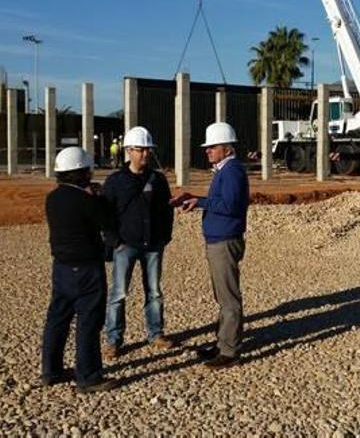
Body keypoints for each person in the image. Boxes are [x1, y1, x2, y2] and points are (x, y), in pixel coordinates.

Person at [172, 122, 249, 369]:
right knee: (222, 295)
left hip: (225, 240)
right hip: (218, 239)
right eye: (208, 147)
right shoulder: (225, 170)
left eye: (212, 147)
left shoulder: (232, 171)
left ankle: (229, 351)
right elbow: (221, 201)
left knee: (228, 297)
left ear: (227, 148)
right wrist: (196, 199)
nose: (207, 151)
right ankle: (223, 342)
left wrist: (200, 202)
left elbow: (230, 205)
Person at [41, 146, 115, 393]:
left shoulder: (52, 198)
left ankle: (51, 370)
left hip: (61, 267)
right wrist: (99, 197)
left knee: (58, 319)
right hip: (86, 268)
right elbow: (108, 221)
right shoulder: (86, 200)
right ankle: (88, 376)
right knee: (88, 322)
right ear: (82, 172)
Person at [101, 126, 177, 360]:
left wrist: (165, 237)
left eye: (147, 150)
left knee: (154, 292)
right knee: (119, 293)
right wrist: (115, 242)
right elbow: (105, 214)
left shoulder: (158, 179)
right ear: (129, 151)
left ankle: (155, 334)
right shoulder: (115, 182)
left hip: (154, 244)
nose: (145, 154)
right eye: (140, 149)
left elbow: (167, 210)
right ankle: (113, 339)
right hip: (126, 245)